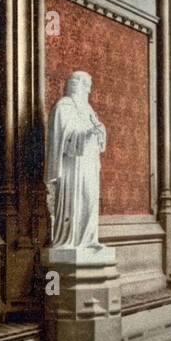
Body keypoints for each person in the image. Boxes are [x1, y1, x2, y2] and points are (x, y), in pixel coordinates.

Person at [45, 71, 107, 251]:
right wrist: (85, 135)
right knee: (75, 201)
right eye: (86, 85)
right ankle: (71, 240)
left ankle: (89, 239)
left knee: (90, 198)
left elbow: (96, 130)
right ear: (77, 85)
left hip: (89, 163)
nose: (88, 91)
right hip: (72, 167)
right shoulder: (64, 106)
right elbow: (62, 137)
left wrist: (99, 131)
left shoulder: (88, 110)